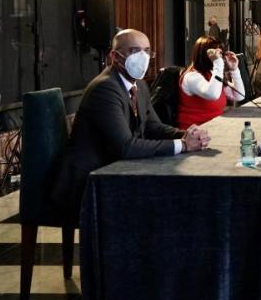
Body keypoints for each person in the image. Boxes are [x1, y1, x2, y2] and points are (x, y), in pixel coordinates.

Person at [50, 29, 211, 218]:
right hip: (86, 184)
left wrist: (185, 134)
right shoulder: (106, 88)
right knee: (161, 204)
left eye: (147, 51)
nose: (142, 57)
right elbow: (125, 147)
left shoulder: (139, 84)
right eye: (134, 51)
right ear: (114, 56)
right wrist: (183, 145)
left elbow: (153, 127)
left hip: (114, 173)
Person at [176, 36, 245, 129]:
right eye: (217, 53)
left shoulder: (212, 73)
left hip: (215, 128)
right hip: (195, 134)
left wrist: (234, 69)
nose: (220, 57)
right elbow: (213, 95)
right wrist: (218, 63)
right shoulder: (191, 77)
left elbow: (239, 96)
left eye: (221, 53)